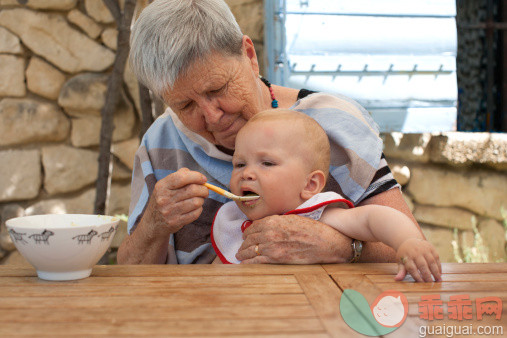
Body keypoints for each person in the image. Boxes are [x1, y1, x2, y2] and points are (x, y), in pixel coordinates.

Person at [117, 0, 420, 267]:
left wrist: (343, 247)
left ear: (249, 55)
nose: (212, 116)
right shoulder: (161, 144)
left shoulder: (333, 123)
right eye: (185, 105)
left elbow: (408, 245)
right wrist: (154, 224)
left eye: (217, 89)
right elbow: (131, 271)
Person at [211, 110, 441, 282]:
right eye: (239, 164)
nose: (246, 174)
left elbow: (374, 219)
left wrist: (407, 241)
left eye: (267, 163)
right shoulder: (232, 221)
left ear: (310, 184)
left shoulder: (318, 214)